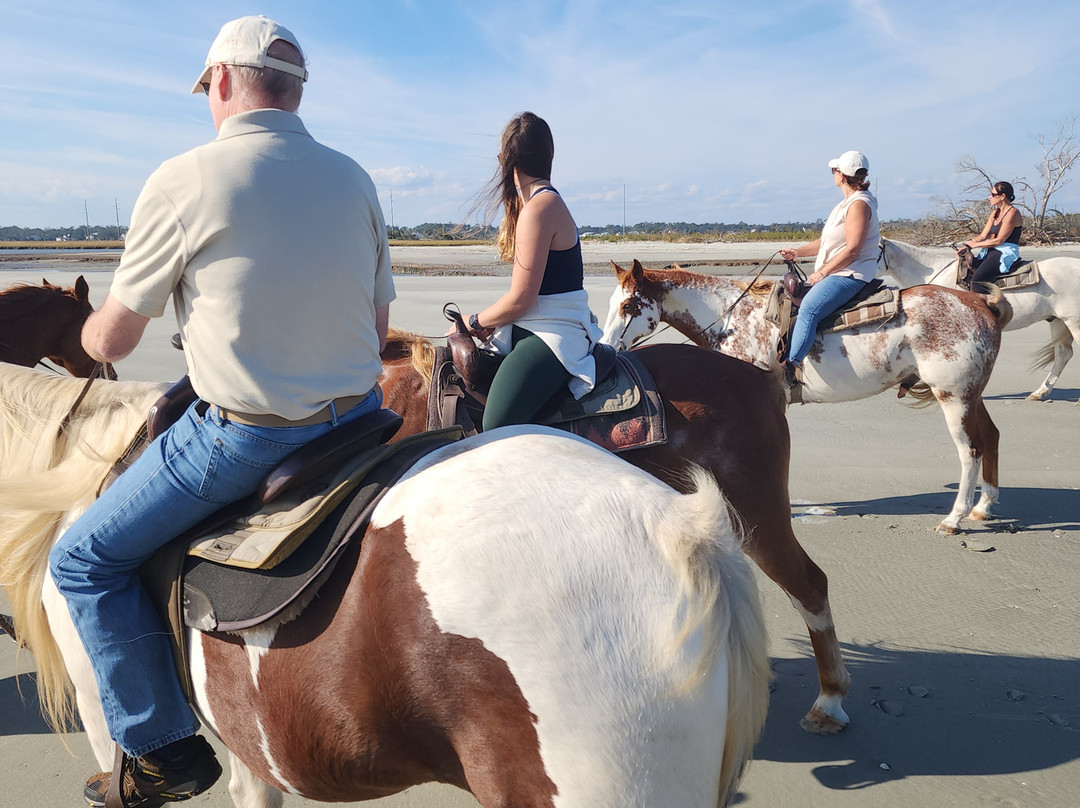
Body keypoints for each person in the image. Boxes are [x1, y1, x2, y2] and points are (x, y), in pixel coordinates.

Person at [48, 16, 394, 807]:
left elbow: (115, 338)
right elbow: (376, 333)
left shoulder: (183, 178)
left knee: (82, 562)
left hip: (248, 439)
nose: (208, 101)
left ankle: (163, 749)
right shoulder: (354, 177)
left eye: (207, 89)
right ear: (294, 91)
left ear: (226, 82)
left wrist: (92, 325)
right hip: (363, 421)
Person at [460, 111, 603, 430]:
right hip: (535, 324)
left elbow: (521, 299)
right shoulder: (542, 204)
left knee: (495, 425)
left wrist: (474, 321)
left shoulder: (540, 208)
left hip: (553, 334)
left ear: (506, 160)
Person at [779, 150, 880, 386]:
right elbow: (826, 243)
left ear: (842, 175)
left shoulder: (859, 205)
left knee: (809, 310)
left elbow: (853, 249)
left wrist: (823, 272)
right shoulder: (847, 204)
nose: (832, 174)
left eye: (834, 170)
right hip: (839, 270)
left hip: (850, 274)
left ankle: (790, 369)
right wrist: (798, 252)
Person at [960, 181, 1022, 287]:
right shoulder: (995, 213)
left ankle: (988, 303)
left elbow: (999, 241)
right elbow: (983, 236)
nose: (990, 197)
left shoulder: (1013, 213)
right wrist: (967, 245)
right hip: (991, 250)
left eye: (993, 195)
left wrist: (975, 245)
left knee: (977, 281)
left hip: (1005, 251)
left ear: (1003, 196)